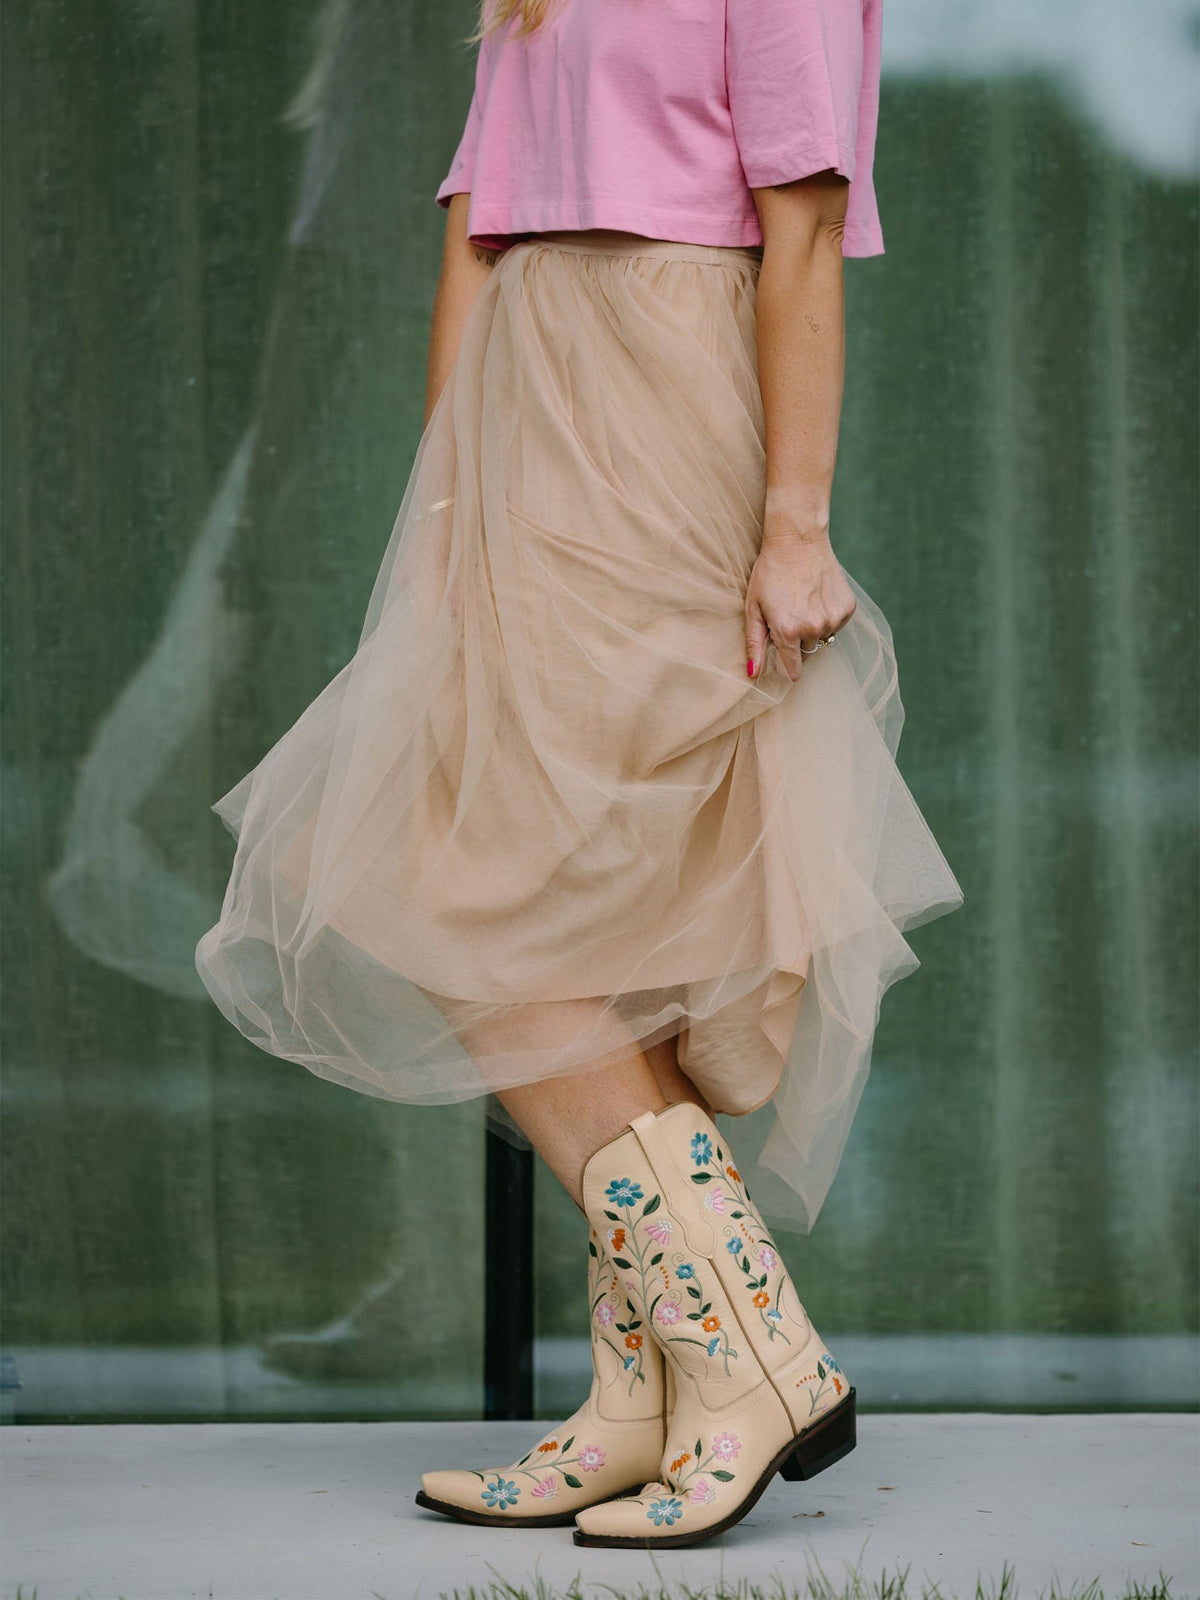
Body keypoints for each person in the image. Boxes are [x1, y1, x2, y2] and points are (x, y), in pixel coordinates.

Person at [195, 0, 964, 1550]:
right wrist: (439, 526)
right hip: (522, 411)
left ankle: (747, 1361)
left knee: (500, 889)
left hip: (662, 385)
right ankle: (653, 1396)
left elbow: (805, 224)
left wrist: (794, 525)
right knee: (540, 893)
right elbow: (478, 236)